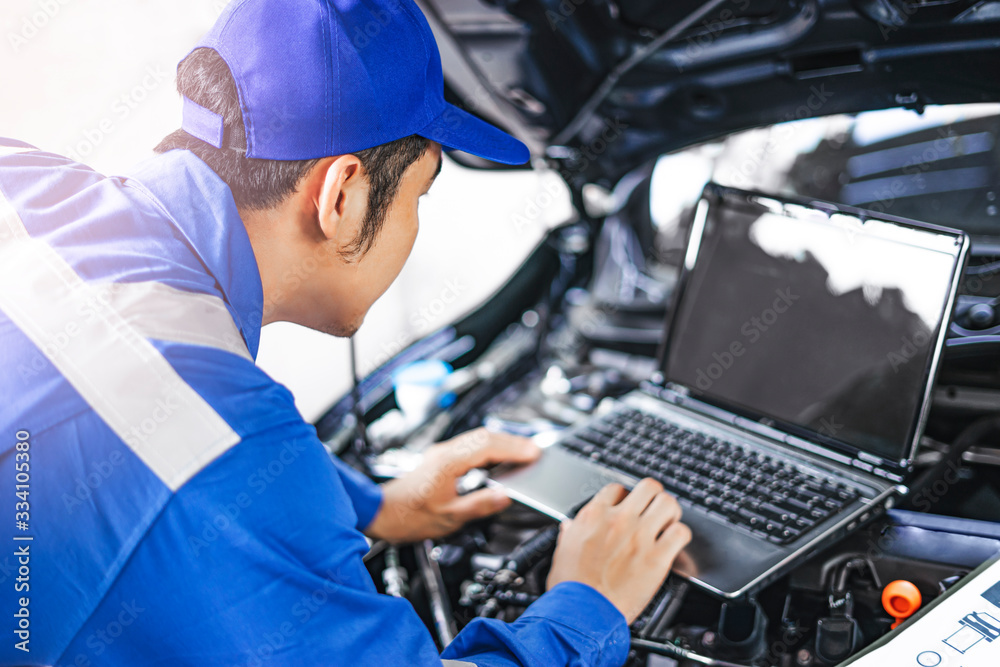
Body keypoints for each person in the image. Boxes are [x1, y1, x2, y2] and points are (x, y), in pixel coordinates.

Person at [0, 0, 691, 664]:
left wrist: (373, 505)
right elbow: (193, 450)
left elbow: (143, 432)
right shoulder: (222, 442)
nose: (416, 226)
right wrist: (588, 603)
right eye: (421, 196)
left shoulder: (24, 182)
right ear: (342, 196)